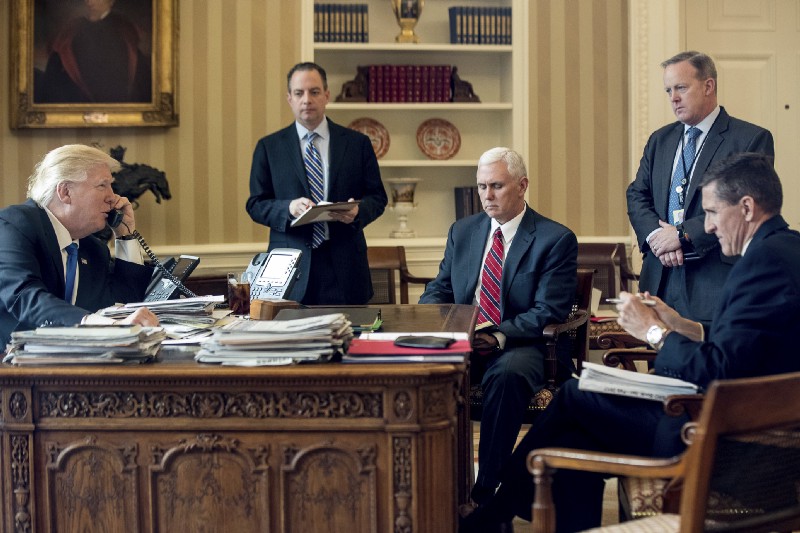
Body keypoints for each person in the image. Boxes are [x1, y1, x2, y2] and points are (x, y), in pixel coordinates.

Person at [460, 152, 800, 533]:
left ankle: (491, 511)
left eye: (712, 212)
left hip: (728, 449)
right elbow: (746, 346)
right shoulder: (786, 251)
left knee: (574, 396)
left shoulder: (761, 264)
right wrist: (682, 324)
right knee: (573, 441)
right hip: (734, 426)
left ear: (748, 208)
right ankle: (496, 510)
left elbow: (718, 369)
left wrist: (653, 331)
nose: (708, 226)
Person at [419, 147, 578, 507]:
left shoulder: (555, 239)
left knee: (505, 375)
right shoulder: (463, 231)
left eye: (496, 186)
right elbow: (440, 288)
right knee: (423, 371)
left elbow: (547, 310)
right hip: (467, 339)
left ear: (522, 186)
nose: (487, 196)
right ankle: (435, 485)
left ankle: (486, 490)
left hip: (525, 345)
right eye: (481, 187)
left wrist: (496, 334)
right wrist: (432, 317)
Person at [627, 51, 774, 325]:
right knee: (660, 362)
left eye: (681, 87)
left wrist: (682, 235)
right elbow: (637, 194)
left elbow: (745, 205)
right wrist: (658, 235)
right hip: (660, 278)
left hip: (713, 279)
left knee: (707, 362)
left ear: (708, 86)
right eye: (669, 90)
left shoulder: (750, 139)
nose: (673, 97)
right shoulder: (660, 140)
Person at [246, 62, 388, 305]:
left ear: (326, 95)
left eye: (314, 92)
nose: (307, 100)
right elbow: (256, 204)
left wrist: (357, 212)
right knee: (291, 342)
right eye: (299, 93)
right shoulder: (269, 147)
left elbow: (378, 197)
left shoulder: (357, 144)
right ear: (289, 98)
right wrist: (288, 208)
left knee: (349, 340)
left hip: (345, 267)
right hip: (290, 268)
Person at [0, 144, 159, 348]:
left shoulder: (94, 249)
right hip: (10, 364)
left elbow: (123, 305)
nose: (113, 197)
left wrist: (125, 237)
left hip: (72, 364)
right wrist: (94, 324)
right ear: (65, 191)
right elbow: (24, 297)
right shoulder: (13, 225)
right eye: (102, 185)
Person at [38, 0, 152, 103]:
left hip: (116, 100)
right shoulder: (73, 29)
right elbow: (58, 61)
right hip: (79, 101)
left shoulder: (124, 29)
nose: (89, 2)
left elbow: (138, 75)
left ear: (111, 1)